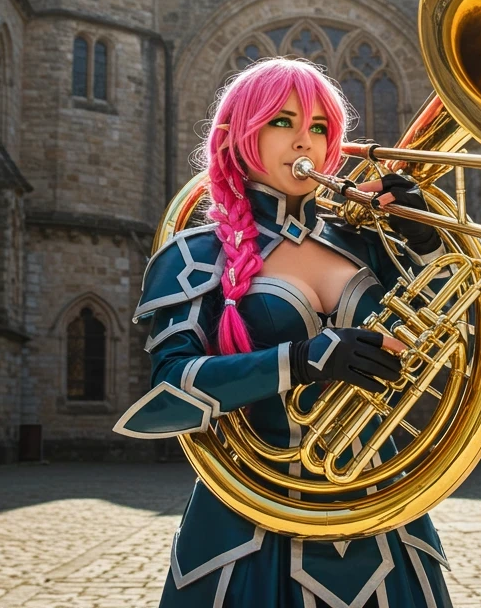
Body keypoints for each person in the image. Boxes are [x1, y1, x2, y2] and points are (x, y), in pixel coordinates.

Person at [115, 57, 456, 607]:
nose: (306, 142)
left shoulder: (371, 243)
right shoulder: (195, 254)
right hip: (247, 537)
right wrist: (299, 361)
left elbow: (448, 344)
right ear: (239, 135)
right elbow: (165, 397)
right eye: (283, 121)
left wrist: (425, 242)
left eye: (320, 128)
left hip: (386, 526)